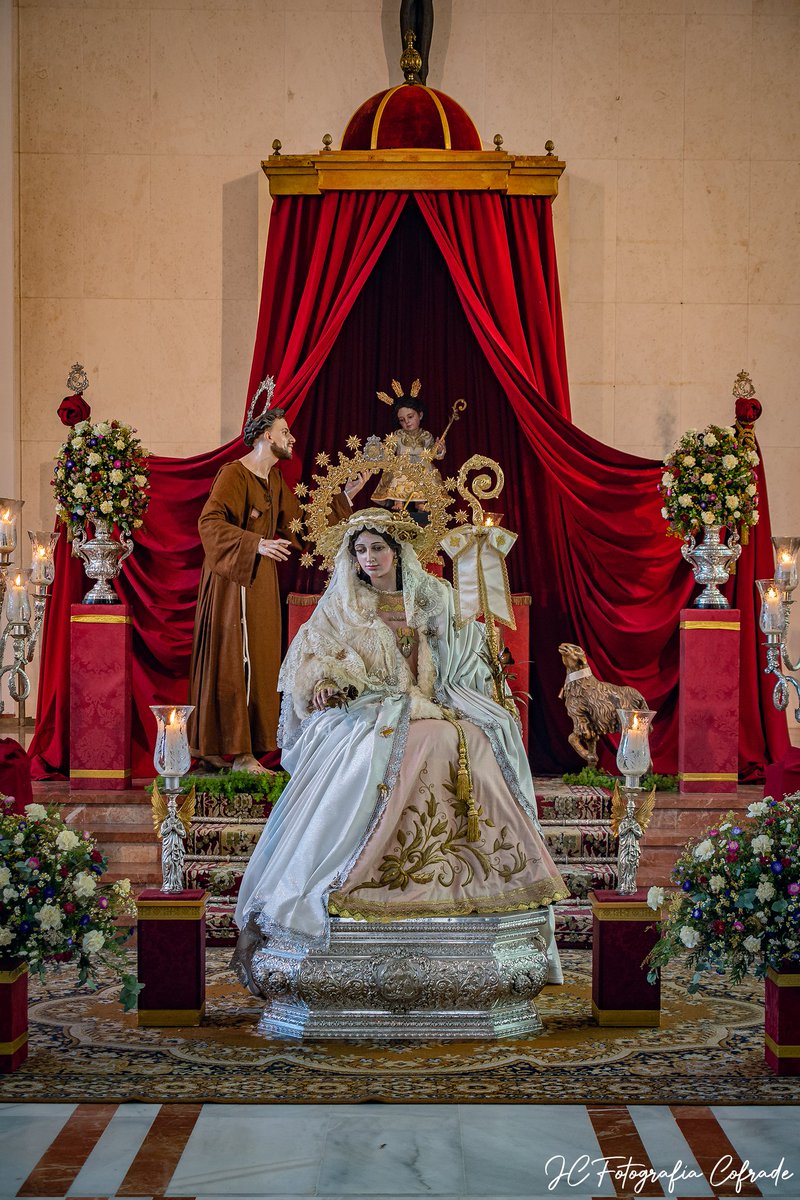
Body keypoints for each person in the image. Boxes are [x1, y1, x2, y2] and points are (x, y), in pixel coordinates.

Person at [233, 507, 569, 986]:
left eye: (378, 547)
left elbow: (465, 653)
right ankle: (373, 876)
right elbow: (311, 659)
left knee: (477, 735)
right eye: (360, 550)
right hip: (364, 708)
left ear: (398, 551)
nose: (369, 558)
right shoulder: (342, 604)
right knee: (422, 737)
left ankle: (473, 881)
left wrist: (468, 638)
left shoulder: (433, 596)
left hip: (433, 702)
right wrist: (324, 684)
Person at [187, 387, 362, 773]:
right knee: (237, 659)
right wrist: (255, 544)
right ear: (267, 435)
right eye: (285, 432)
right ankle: (240, 753)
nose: (291, 438)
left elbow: (302, 530)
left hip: (259, 581)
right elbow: (210, 523)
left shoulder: (275, 481)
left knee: (261, 658)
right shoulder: (234, 474)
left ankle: (232, 747)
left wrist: (344, 499)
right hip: (233, 580)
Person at [371, 381, 445, 523]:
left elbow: (433, 454)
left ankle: (420, 503)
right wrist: (382, 449)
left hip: (422, 467)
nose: (407, 422)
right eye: (402, 420)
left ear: (420, 415)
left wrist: (439, 449)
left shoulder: (426, 436)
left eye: (410, 417)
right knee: (398, 472)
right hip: (402, 466)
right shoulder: (397, 435)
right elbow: (389, 451)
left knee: (426, 472)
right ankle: (398, 501)